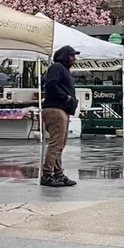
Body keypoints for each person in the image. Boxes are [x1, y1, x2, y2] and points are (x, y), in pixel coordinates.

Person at [40, 46, 80, 187]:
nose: (74, 58)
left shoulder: (62, 69)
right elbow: (51, 84)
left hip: (60, 109)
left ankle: (58, 174)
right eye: (71, 55)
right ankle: (47, 174)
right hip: (56, 109)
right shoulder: (57, 67)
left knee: (59, 144)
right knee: (56, 144)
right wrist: (67, 98)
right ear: (64, 56)